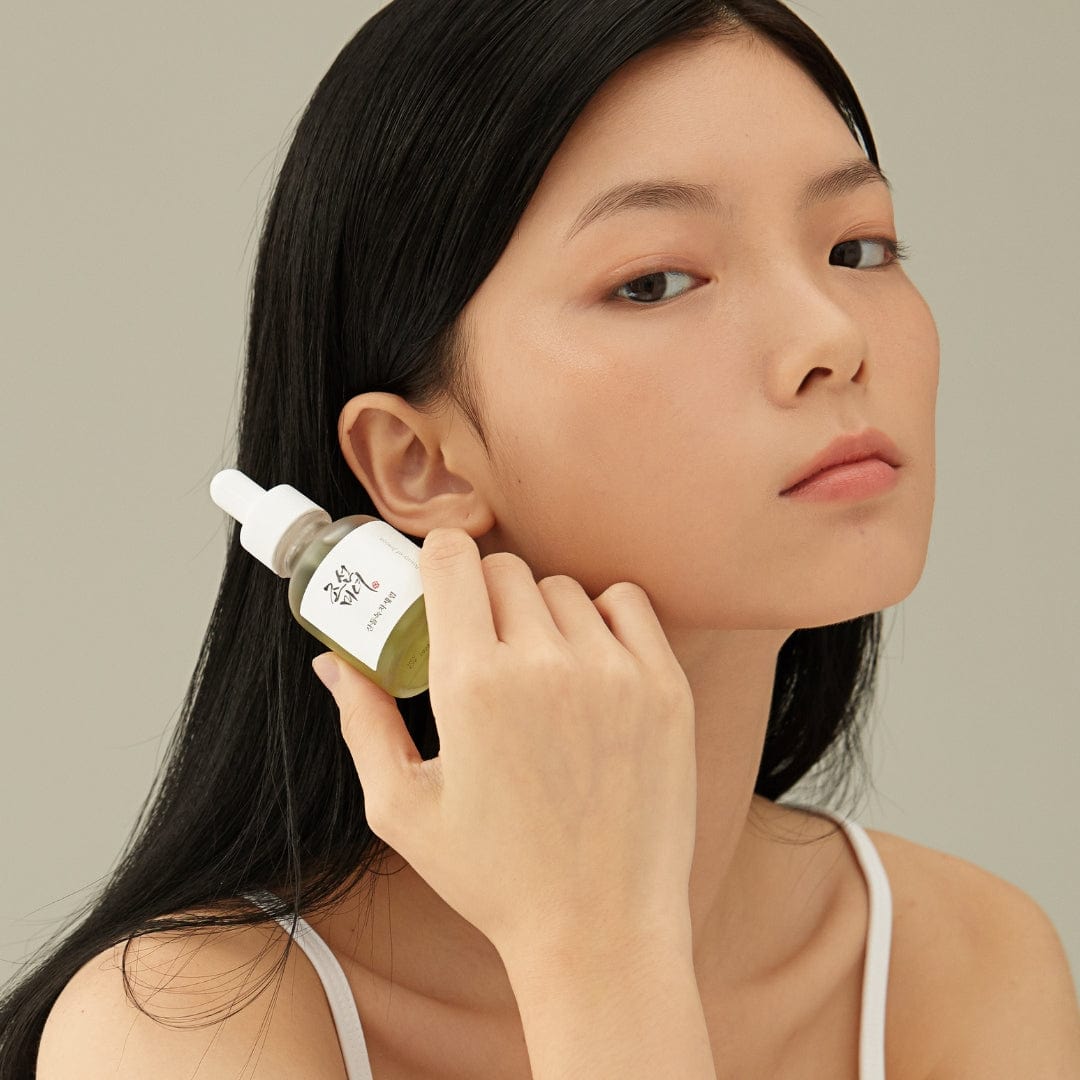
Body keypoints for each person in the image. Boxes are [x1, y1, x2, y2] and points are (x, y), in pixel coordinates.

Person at [8, 1, 1079, 1077]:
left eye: (859, 246)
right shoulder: (188, 1031)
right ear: (416, 463)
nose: (832, 336)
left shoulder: (968, 963)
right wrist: (600, 953)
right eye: (656, 280)